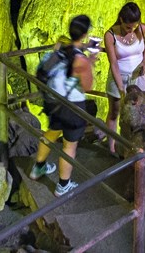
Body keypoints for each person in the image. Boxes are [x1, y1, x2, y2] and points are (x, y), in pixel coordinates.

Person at [32, 15, 98, 196]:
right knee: (69, 146)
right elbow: (87, 86)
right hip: (72, 108)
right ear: (85, 34)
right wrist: (89, 63)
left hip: (54, 102)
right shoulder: (81, 61)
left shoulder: (61, 48)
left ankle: (38, 168)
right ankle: (63, 185)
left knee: (51, 133)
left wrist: (84, 51)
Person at [104, 2, 145, 141]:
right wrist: (121, 89)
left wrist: (144, 62)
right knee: (115, 112)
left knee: (141, 110)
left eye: (135, 26)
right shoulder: (110, 35)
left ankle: (139, 145)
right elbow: (113, 63)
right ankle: (111, 147)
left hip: (139, 77)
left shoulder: (142, 29)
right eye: (128, 27)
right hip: (120, 77)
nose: (131, 30)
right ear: (121, 19)